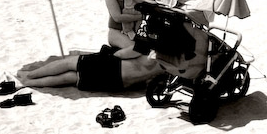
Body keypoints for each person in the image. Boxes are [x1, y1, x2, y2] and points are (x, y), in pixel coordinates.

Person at [14, 45, 164, 92]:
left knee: (69, 63)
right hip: (120, 84)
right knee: (72, 78)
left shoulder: (151, 47)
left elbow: (120, 54)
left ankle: (30, 76)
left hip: (113, 67)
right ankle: (28, 83)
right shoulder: (169, 66)